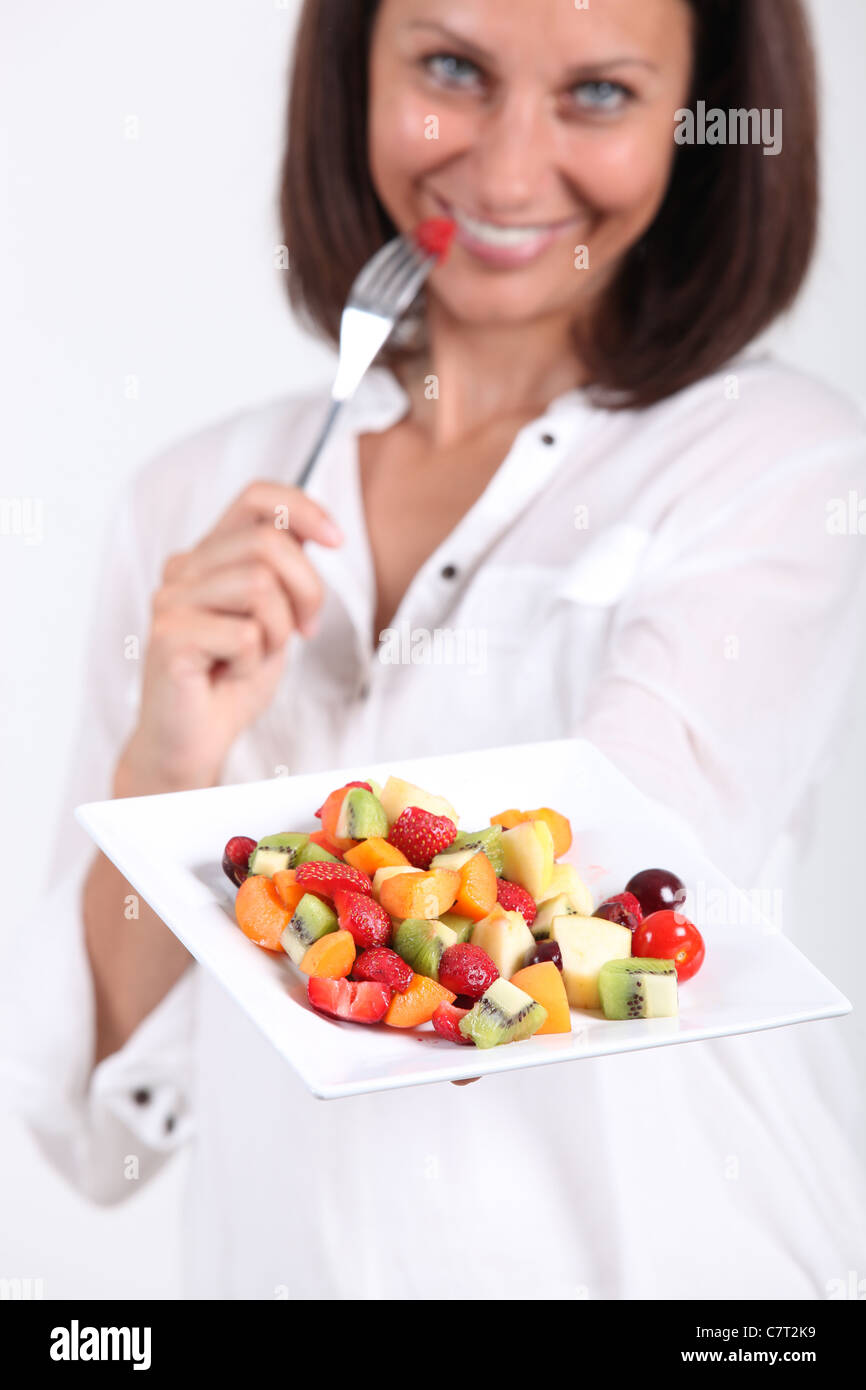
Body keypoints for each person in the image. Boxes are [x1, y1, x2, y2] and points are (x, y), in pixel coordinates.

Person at [3, 0, 865, 1299]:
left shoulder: (777, 461)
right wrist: (165, 772)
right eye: (452, 69)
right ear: (354, 67)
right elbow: (102, 1131)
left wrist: (257, 858)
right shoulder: (191, 500)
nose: (509, 171)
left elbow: (593, 899)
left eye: (598, 93)